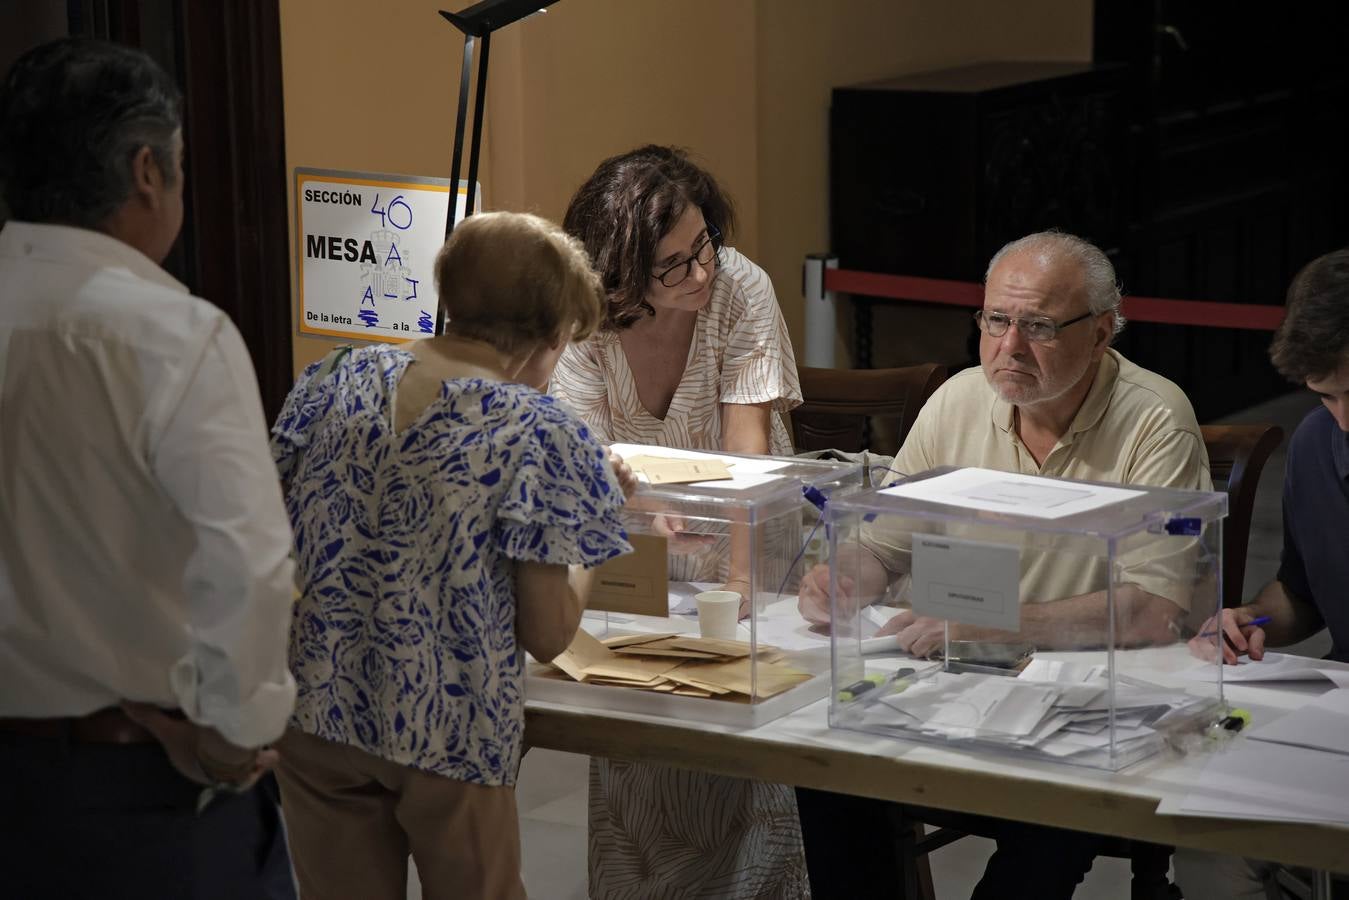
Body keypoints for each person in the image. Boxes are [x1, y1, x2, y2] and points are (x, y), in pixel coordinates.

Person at [794, 231, 1211, 899]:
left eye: (1038, 326)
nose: (1009, 347)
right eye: (995, 320)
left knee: (1052, 820)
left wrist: (990, 627)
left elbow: (1153, 610)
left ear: (1100, 332)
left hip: (1085, 700)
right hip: (948, 680)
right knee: (825, 770)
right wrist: (845, 576)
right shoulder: (958, 399)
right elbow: (883, 545)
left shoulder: (1154, 419)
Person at [0, 38, 297, 899]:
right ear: (146, 172)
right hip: (136, 789)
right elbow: (248, 562)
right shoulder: (173, 336)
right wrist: (233, 739)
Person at [270, 211, 634, 900]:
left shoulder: (331, 378)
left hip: (317, 712)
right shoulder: (539, 431)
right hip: (450, 729)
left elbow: (274, 528)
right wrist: (596, 518)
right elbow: (549, 633)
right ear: (551, 337)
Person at [551, 145, 809, 899]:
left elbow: (748, 451)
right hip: (638, 552)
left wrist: (741, 587)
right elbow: (588, 463)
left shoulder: (740, 288)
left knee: (744, 743)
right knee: (641, 750)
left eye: (704, 244)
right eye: (672, 264)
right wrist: (647, 512)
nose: (699, 271)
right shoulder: (585, 319)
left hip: (748, 540)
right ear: (620, 271)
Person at [1174, 248, 1349, 900]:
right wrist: (1254, 620)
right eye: (1326, 395)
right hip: (1339, 710)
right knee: (1207, 834)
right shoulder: (1316, 445)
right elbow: (1301, 592)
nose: (1344, 419)